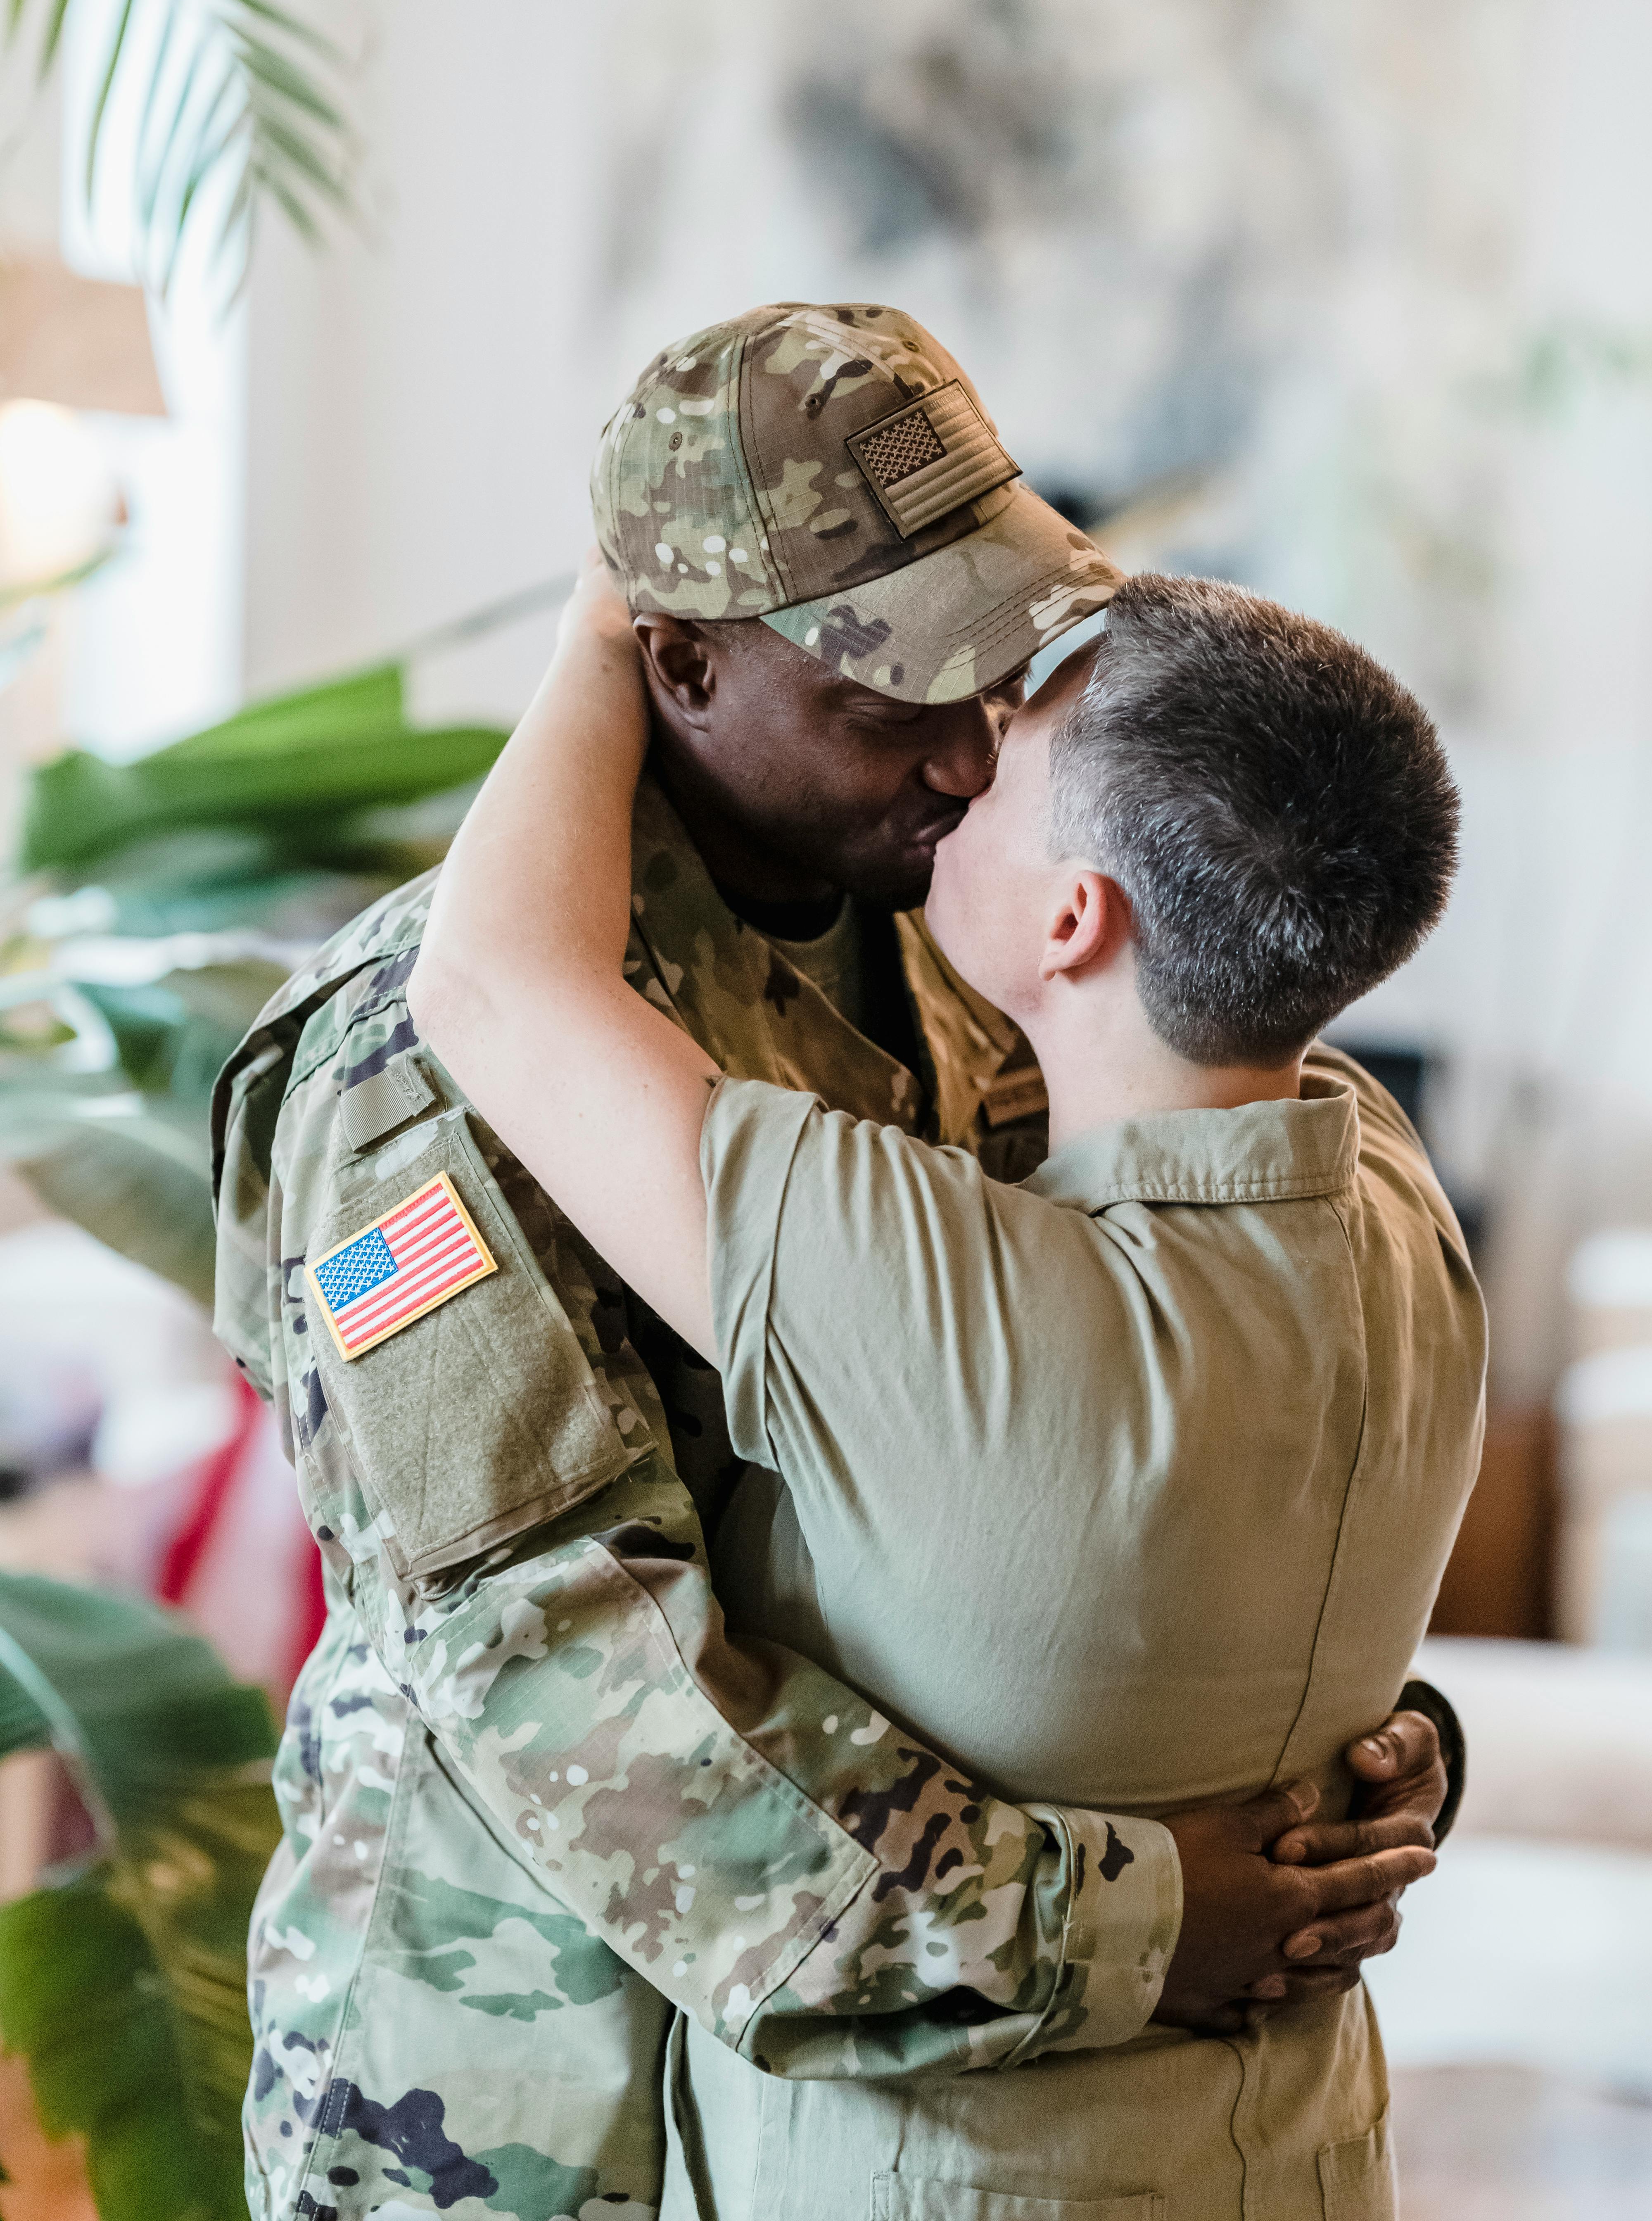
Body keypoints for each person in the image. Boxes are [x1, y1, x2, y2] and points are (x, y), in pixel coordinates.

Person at [213, 304, 1457, 2221]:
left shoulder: (963, 947)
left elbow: (1101, 1451)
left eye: (997, 670)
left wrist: (1323, 1750)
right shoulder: (418, 1064)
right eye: (891, 699)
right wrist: (1119, 1924)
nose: (971, 755)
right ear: (681, 664)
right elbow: (551, 1658)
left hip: (862, 2117)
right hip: (524, 2105)